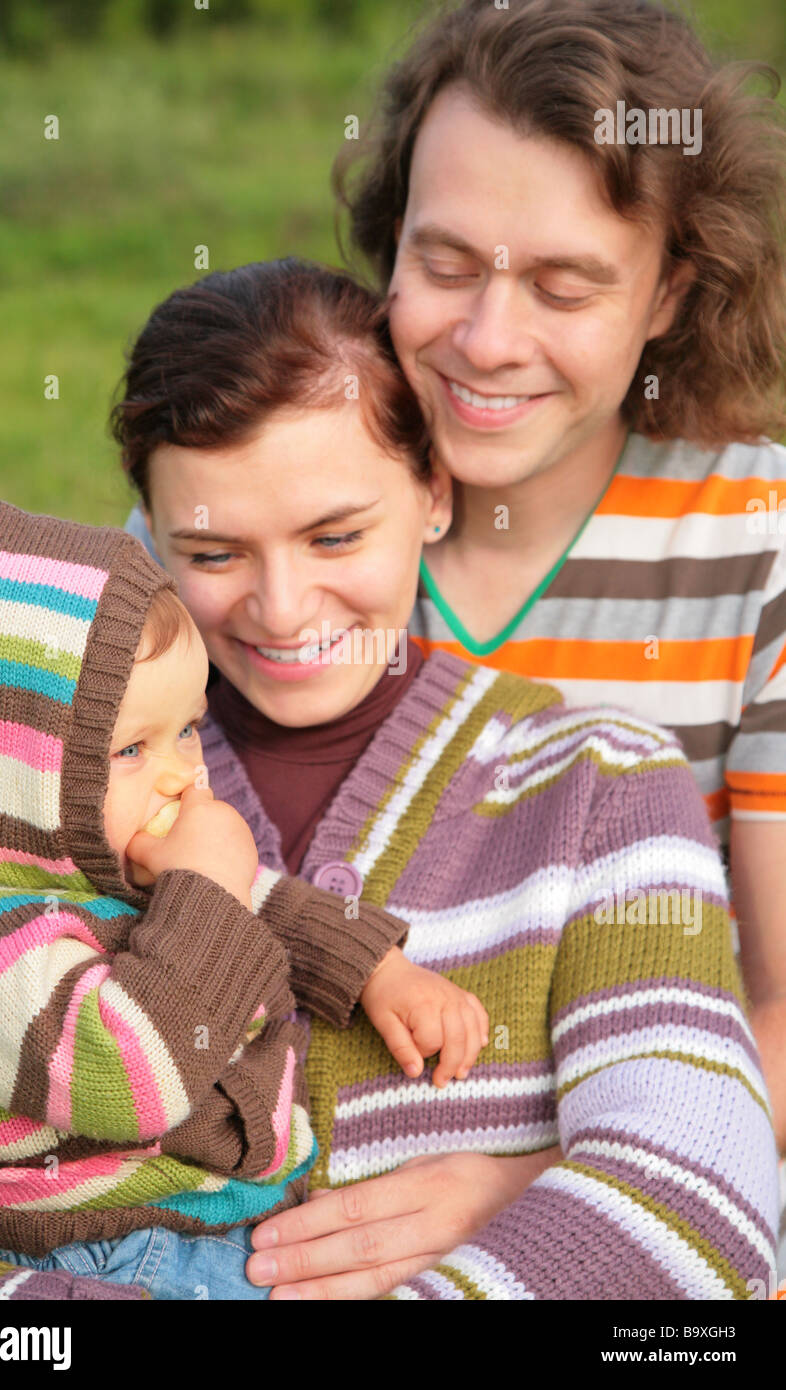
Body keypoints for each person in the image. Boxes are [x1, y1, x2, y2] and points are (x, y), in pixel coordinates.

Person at [116, 257, 779, 1300]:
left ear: (432, 492)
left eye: (335, 535)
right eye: (212, 553)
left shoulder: (599, 791)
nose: (282, 609)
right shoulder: (61, 810)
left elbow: (705, 1203)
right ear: (147, 536)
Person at [328, 0, 786, 1159]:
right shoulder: (261, 511)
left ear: (669, 295)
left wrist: (527, 1190)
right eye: (441, 264)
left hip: (639, 1198)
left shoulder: (757, 545)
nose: (485, 339)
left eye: (563, 287)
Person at [0, 494, 487, 1300]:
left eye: (186, 728)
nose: (183, 771)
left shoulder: (111, 869)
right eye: (130, 748)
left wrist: (373, 969)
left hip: (210, 1229)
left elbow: (257, 900)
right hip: (104, 1255)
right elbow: (127, 1075)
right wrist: (208, 887)